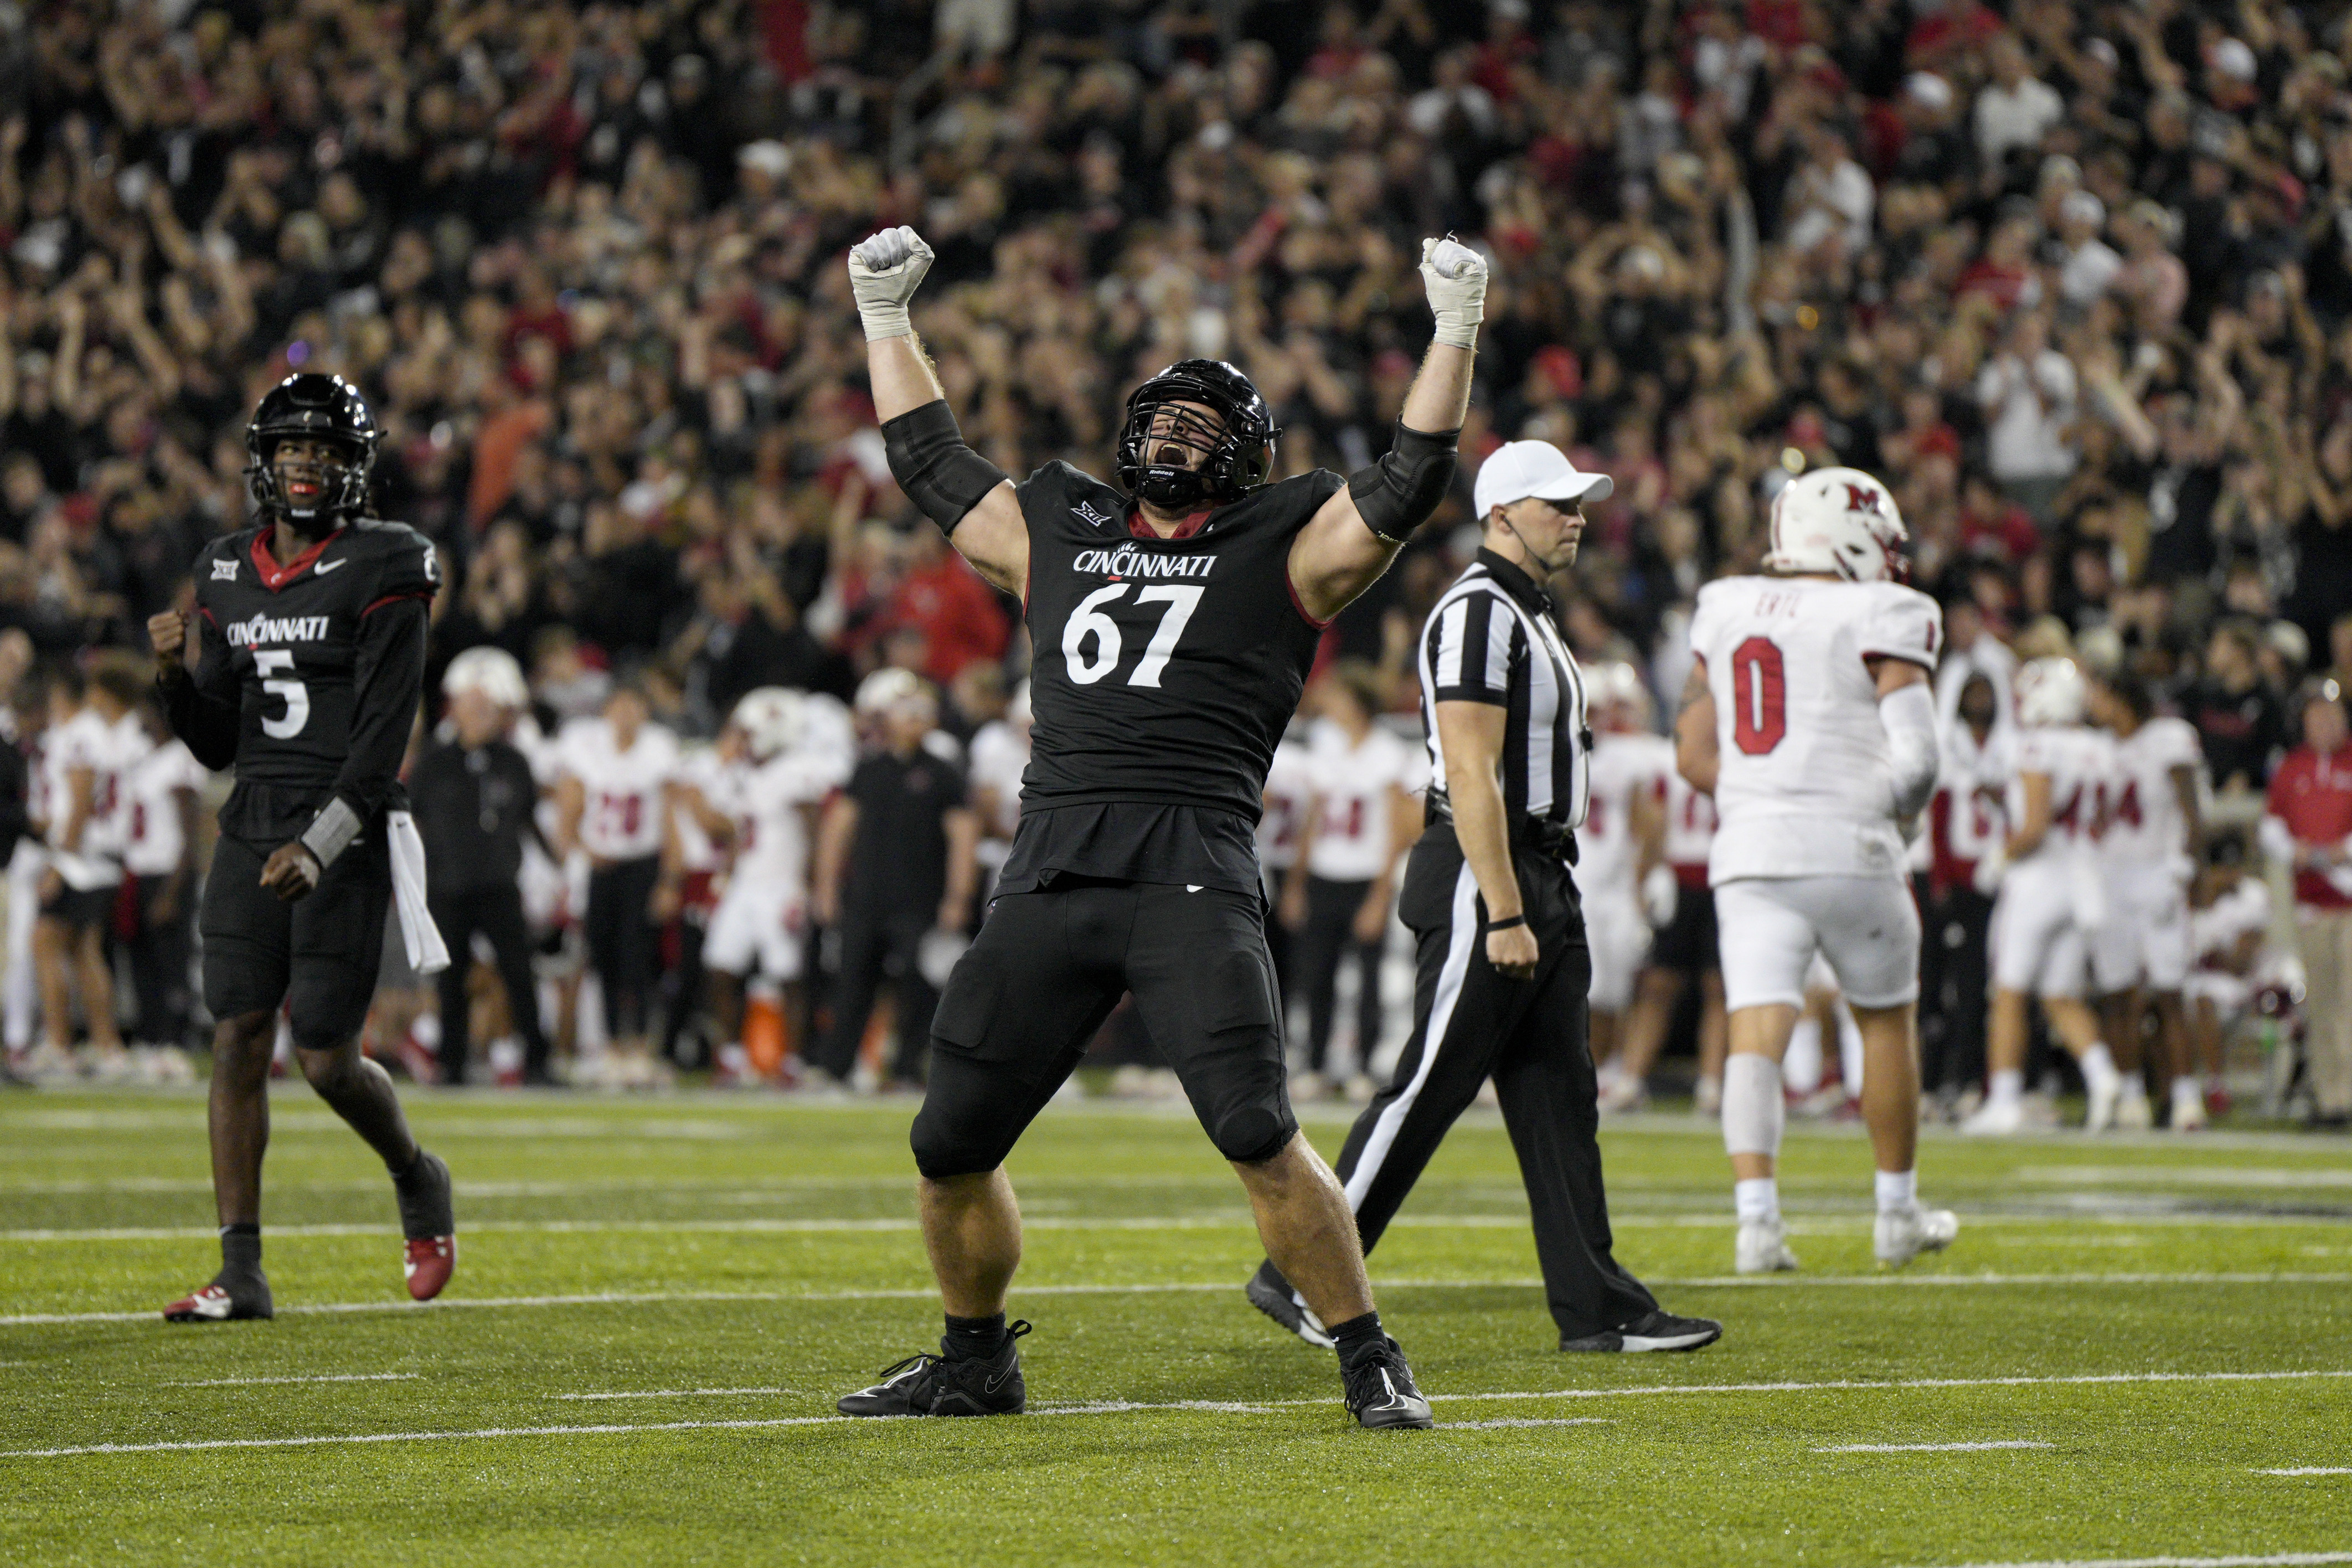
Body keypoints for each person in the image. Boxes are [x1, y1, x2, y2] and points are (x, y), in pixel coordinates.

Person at [832, 223, 1486, 1430]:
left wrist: (1453, 330)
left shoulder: (1282, 545)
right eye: (1165, 415)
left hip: (1188, 865)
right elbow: (930, 463)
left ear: (1246, 461)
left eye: (1207, 422)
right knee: (948, 1139)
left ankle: (1367, 1353)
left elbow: (1406, 479)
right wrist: (885, 319)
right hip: (1052, 865)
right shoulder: (1058, 532)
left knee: (1257, 1129)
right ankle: (975, 1358)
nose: (1180, 432)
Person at [1254, 438, 1721, 1355]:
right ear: (1499, 513)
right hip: (1487, 868)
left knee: (1558, 1097)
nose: (1576, 518)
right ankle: (1300, 1271)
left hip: (1538, 868)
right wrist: (1504, 907)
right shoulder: (1476, 611)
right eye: (1557, 504)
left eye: (1579, 503)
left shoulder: (1528, 613)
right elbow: (1468, 771)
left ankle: (1597, 1307)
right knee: (1428, 1083)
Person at [146, 372, 454, 1322]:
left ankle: (417, 1173)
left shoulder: (389, 561)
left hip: (344, 822)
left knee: (325, 1056)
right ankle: (241, 1269)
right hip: (252, 818)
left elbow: (381, 737)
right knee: (237, 1034)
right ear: (264, 463)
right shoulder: (225, 569)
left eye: (323, 449)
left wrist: (322, 843)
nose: (306, 465)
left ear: (353, 466)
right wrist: (170, 677)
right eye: (291, 449)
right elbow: (216, 739)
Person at [1674, 466, 1958, 1273]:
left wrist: (1769, 799)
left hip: (1752, 849)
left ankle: (1757, 1226)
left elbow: (1692, 752)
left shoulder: (1725, 605)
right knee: (1884, 1022)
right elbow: (1920, 759)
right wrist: (1884, 815)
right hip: (1851, 846)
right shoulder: (1885, 608)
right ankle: (1895, 1215)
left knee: (1755, 1034)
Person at [1964, 658, 2123, 1135]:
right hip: (2087, 880)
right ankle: (2103, 1078)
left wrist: (1997, 859)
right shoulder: (2101, 748)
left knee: (2009, 991)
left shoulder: (2036, 745)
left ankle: (2006, 1101)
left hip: (2040, 880)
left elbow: (2034, 827)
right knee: (2059, 995)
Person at [809, 668, 976, 1091]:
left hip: (919, 899)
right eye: (908, 713)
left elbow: (963, 836)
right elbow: (838, 828)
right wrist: (826, 887)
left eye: (922, 713)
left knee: (920, 988)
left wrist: (958, 897)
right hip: (866, 896)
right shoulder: (869, 768)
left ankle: (906, 1068)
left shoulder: (943, 773)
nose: (914, 721)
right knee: (851, 983)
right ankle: (836, 1069)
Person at [410, 647, 554, 1087]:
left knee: (519, 974)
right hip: (447, 884)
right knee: (450, 981)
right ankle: (451, 1064)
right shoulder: (433, 762)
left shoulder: (515, 761)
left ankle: (538, 1062)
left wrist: (556, 869)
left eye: (487, 707)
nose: (482, 714)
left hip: (498, 883)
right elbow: (414, 821)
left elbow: (530, 820)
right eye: (474, 706)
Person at [1279, 661, 1420, 1099]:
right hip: (1324, 874)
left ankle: (1362, 1067)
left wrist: (1380, 895)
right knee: (1315, 974)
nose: (1330, 704)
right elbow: (1313, 820)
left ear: (1358, 704)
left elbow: (1396, 831)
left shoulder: (1389, 753)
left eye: (1339, 696)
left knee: (1369, 979)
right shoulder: (1325, 744)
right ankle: (1317, 1065)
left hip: (1365, 878)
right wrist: (1297, 884)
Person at [705, 687, 848, 1083]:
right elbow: (738, 832)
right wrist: (728, 875)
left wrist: (808, 885)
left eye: (748, 733)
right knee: (720, 967)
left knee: (788, 976)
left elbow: (815, 831)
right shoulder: (749, 773)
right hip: (745, 887)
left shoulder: (796, 772)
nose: (743, 741)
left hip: (781, 887)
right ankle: (732, 1059)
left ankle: (791, 1062)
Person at [2087, 668, 2207, 1130]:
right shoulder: (2094, 748)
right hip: (2109, 877)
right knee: (2118, 994)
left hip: (2158, 872)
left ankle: (2185, 1098)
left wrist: (2188, 868)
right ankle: (2132, 1095)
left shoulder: (2168, 738)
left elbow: (2191, 807)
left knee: (2170, 991)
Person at [550, 678, 680, 1088]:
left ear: (645, 711)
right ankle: (608, 1047)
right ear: (606, 712)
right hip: (601, 867)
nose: (626, 715)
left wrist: (671, 880)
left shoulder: (659, 749)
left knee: (638, 959)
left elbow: (670, 818)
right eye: (620, 706)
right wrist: (581, 851)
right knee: (603, 957)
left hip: (642, 863)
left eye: (635, 706)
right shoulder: (586, 747)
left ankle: (640, 1046)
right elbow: (567, 806)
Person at [34, 661, 143, 1079]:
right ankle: (106, 1046)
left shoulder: (80, 732)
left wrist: (60, 863)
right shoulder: (99, 732)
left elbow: (81, 795)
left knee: (44, 943)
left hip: (82, 858)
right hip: (99, 856)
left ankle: (60, 1045)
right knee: (85, 952)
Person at [1577, 662, 1676, 1094]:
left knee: (1609, 990)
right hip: (1574, 882)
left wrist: (1641, 882)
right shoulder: (1550, 752)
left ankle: (1602, 1068)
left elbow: (1650, 825)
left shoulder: (1630, 756)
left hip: (1611, 889)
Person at [2260, 679, 2352, 1128]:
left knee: (2351, 1005)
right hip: (2312, 904)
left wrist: (2342, 849)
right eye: (2316, 714)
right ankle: (2332, 1099)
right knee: (2321, 1006)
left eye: (2331, 714)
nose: (2324, 722)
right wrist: (2295, 850)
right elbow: (2271, 827)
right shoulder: (2292, 768)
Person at [1916, 671, 2006, 1112]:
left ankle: (1972, 1080)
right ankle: (1931, 1081)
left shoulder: (2009, 745)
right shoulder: (1949, 742)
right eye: (1972, 692)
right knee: (1934, 983)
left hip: (1997, 878)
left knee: (1977, 987)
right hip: (1954, 879)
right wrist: (1940, 879)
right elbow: (1940, 815)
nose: (1979, 699)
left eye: (1985, 691)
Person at [120, 698, 205, 1079]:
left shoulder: (179, 758)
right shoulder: (143, 757)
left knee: (171, 960)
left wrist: (173, 890)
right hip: (138, 871)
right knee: (140, 961)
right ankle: (151, 1040)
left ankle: (175, 1041)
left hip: (167, 873)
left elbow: (190, 836)